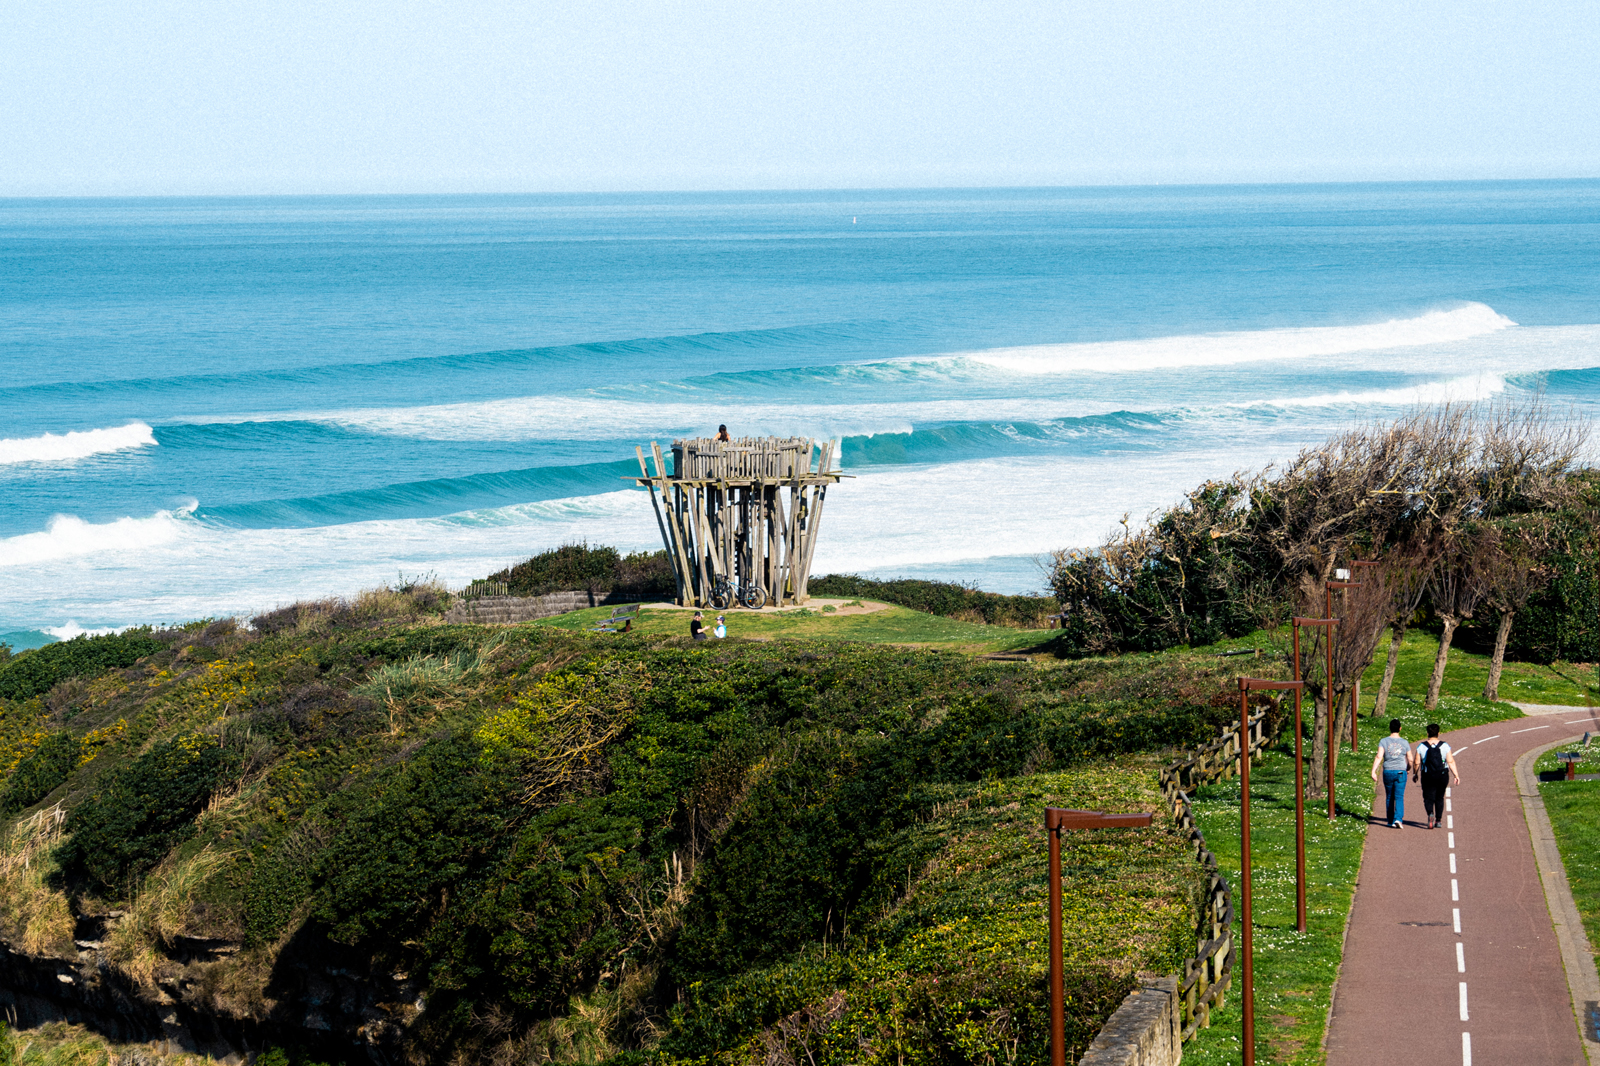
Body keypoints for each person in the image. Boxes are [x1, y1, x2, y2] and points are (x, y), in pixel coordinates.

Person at [1414, 723, 1461, 829]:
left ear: (1427, 733)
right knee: (1439, 797)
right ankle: (1438, 820)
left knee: (1428, 797)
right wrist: (1456, 775)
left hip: (1427, 775)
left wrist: (1415, 774)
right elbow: (1451, 761)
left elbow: (1417, 762)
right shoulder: (1445, 746)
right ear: (1438, 733)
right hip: (1442, 775)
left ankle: (1430, 813)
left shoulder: (1421, 746)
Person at [1370, 718, 1413, 828]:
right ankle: (1398, 819)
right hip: (1400, 772)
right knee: (1399, 796)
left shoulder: (1383, 741)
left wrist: (1373, 771)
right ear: (1400, 729)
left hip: (1388, 771)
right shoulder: (1404, 742)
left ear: (1390, 728)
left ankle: (1390, 820)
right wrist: (1408, 768)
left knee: (1389, 796)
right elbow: (1410, 759)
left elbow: (1379, 756)